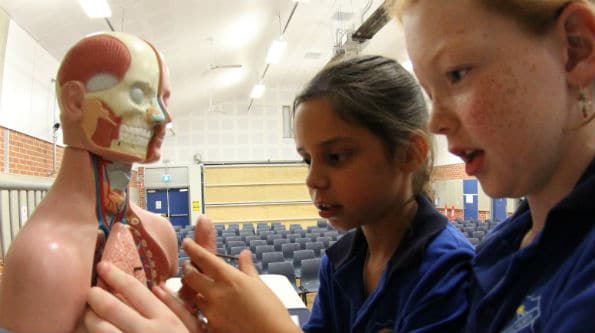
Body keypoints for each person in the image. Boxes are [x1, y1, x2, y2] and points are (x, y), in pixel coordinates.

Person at [84, 54, 475, 333]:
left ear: (409, 154)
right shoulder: (342, 262)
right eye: (308, 159)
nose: (313, 179)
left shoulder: (448, 271)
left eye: (336, 156)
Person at [388, 0, 595, 332]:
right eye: (429, 93)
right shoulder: (503, 246)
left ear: (575, 48)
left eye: (456, 74)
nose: (435, 122)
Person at [0, 31, 181, 333]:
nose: (163, 116)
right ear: (75, 102)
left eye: (163, 99)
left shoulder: (160, 234)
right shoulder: (44, 258)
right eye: (139, 95)